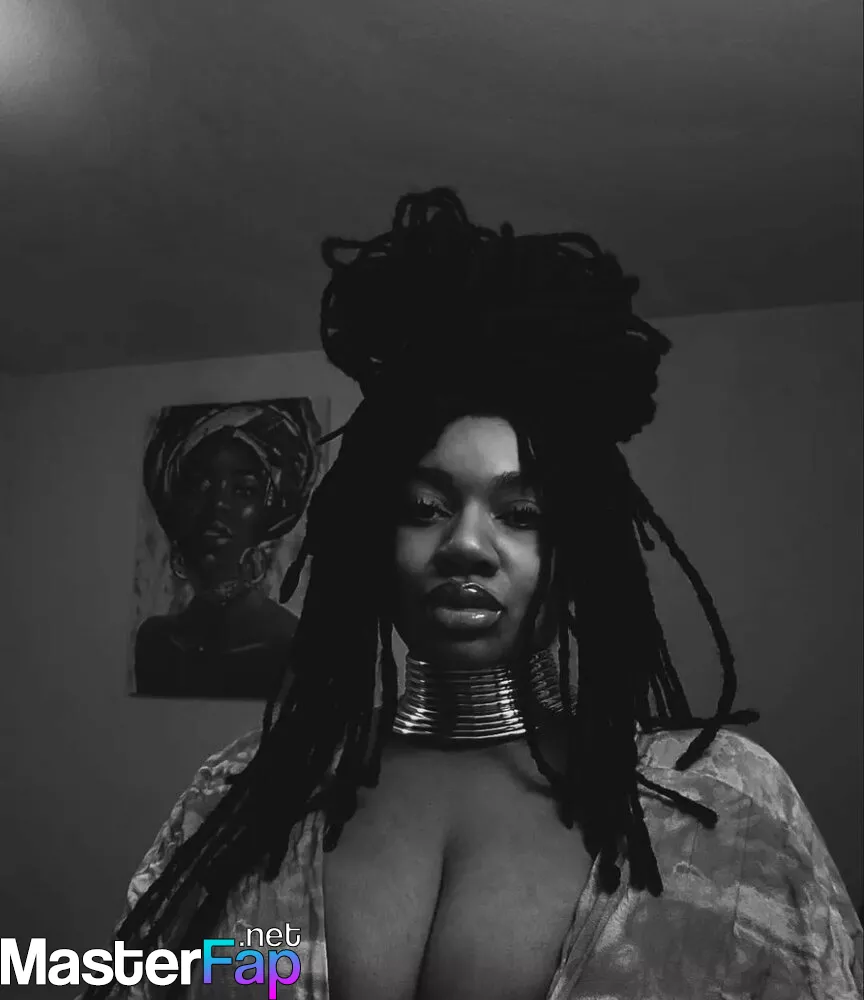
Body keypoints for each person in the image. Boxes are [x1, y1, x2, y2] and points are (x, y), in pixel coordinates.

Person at [87, 188, 863, 999]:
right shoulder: (244, 794)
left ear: (580, 551)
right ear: (369, 540)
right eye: (424, 507)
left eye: (522, 514)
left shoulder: (720, 800)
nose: (464, 544)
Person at [134, 400, 321, 698]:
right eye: (199, 484)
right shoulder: (154, 641)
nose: (218, 503)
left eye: (244, 490)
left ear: (271, 510)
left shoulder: (290, 643)